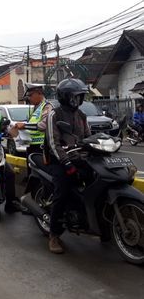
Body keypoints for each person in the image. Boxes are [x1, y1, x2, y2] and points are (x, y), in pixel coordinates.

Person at [44, 78, 91, 254]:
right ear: (66, 97)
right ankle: (54, 235)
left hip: (78, 159)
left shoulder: (82, 116)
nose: (79, 100)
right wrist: (66, 163)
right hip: (59, 161)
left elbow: (88, 139)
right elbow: (53, 143)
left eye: (81, 97)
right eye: (76, 97)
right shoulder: (54, 115)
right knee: (61, 193)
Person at [12, 83, 53, 177]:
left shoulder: (47, 106)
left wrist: (25, 126)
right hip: (31, 146)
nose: (29, 98)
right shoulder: (35, 107)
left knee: (41, 175)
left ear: (39, 93)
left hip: (42, 147)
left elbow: (44, 125)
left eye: (30, 95)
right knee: (31, 173)